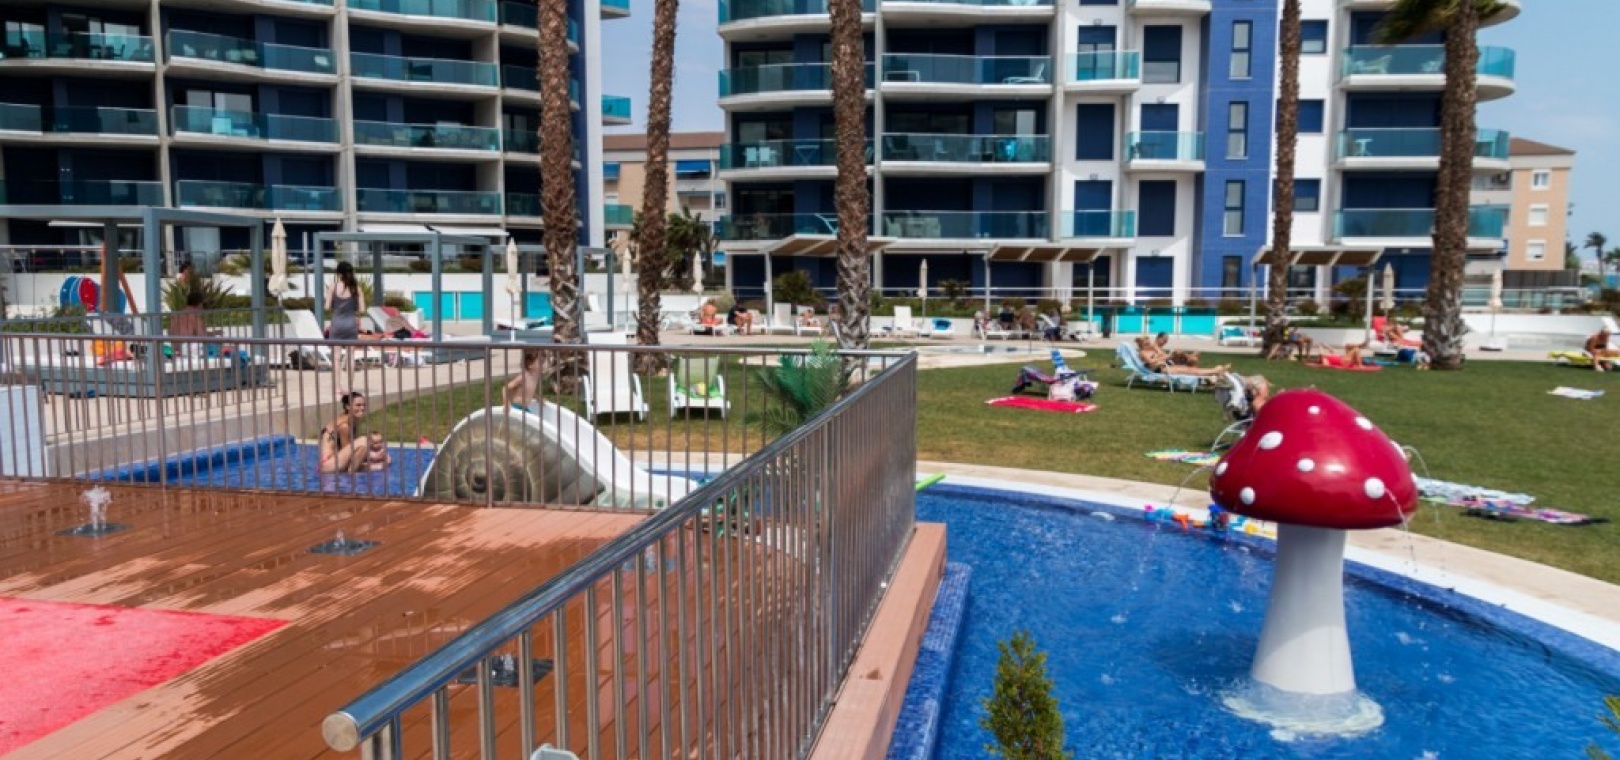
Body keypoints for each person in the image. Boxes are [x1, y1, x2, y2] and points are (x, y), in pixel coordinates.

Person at [325, 261, 365, 392]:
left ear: (338, 273)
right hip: (350, 324)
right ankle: (350, 387)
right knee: (350, 356)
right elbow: (362, 309)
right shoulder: (356, 288)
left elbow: (327, 307)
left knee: (336, 357)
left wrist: (335, 304)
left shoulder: (333, 286)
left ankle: (337, 387)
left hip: (337, 324)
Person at [319, 392, 376, 474]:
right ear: (348, 406)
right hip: (329, 465)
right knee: (365, 440)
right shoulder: (344, 425)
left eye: (364, 405)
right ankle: (351, 474)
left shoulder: (352, 420)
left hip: (335, 462)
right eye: (358, 405)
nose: (362, 408)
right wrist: (375, 457)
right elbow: (349, 453)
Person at [1135, 337, 1230, 377]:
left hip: (1165, 366)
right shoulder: (1142, 353)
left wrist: (1165, 356)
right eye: (1147, 344)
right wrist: (1166, 357)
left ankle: (1215, 371)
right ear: (1141, 346)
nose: (1149, 345)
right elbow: (1150, 362)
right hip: (1160, 369)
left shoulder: (1150, 350)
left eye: (1149, 343)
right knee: (1190, 371)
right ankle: (1216, 371)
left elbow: (1159, 357)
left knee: (1190, 369)